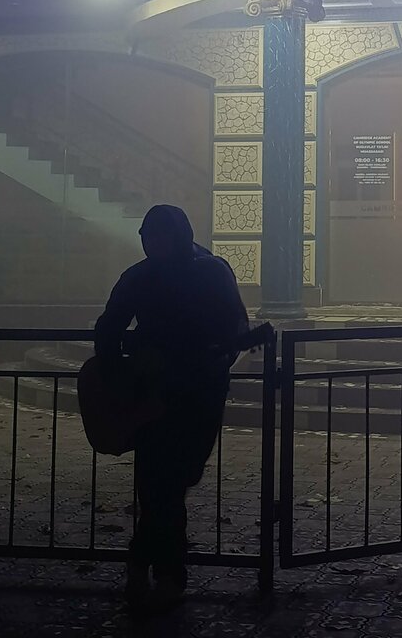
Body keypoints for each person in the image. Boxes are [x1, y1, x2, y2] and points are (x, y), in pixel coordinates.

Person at [94, 204, 249, 613]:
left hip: (195, 393)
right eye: (149, 237)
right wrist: (119, 379)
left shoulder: (210, 272)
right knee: (162, 484)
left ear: (179, 236)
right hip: (158, 395)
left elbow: (235, 328)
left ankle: (142, 560)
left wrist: (212, 363)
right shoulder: (142, 276)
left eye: (160, 236)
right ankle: (168, 574)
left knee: (171, 480)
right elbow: (109, 328)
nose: (154, 244)